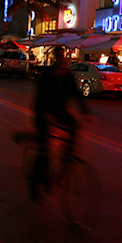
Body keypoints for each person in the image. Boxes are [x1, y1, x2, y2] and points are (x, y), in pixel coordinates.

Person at [30, 46, 90, 200]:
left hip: (59, 111)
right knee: (44, 147)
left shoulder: (67, 76)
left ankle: (67, 158)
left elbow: (77, 95)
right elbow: (40, 96)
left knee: (74, 126)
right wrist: (45, 114)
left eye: (64, 57)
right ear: (55, 59)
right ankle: (35, 183)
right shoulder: (46, 74)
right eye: (60, 57)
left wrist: (86, 112)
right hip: (43, 112)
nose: (63, 60)